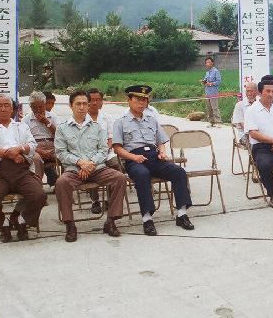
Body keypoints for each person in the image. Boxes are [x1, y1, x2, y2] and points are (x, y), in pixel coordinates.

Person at [113, 85, 195, 234]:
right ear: (129, 100)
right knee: (142, 174)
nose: (142, 103)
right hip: (134, 159)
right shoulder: (120, 122)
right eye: (138, 99)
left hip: (154, 156)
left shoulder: (151, 120)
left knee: (179, 172)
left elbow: (161, 141)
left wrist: (162, 152)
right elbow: (117, 148)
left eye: (145, 99)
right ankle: (147, 219)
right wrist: (133, 157)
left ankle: (182, 214)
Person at [54, 90, 129, 243]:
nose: (81, 107)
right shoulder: (62, 128)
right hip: (74, 170)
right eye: (78, 104)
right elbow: (61, 153)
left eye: (84, 104)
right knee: (61, 183)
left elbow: (103, 150)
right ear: (71, 106)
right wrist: (80, 163)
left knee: (120, 178)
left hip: (97, 168)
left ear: (88, 106)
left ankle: (110, 221)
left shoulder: (97, 127)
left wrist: (90, 164)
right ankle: (70, 225)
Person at [0, 94, 48, 243]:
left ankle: (21, 219)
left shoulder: (21, 126)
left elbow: (33, 145)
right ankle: (3, 223)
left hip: (21, 171)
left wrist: (20, 149)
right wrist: (10, 154)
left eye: (6, 105)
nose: (3, 109)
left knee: (39, 196)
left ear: (12, 109)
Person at [245, 79, 273, 208]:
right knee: (265, 165)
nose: (271, 94)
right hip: (261, 147)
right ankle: (272, 193)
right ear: (260, 93)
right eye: (268, 91)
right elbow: (253, 133)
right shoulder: (252, 110)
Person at [24, 91, 59, 186]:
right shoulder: (26, 119)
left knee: (66, 156)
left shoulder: (53, 116)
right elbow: (25, 141)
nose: (38, 110)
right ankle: (38, 188)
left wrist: (47, 122)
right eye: (35, 107)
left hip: (53, 145)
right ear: (31, 107)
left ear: (44, 104)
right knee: (35, 158)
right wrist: (40, 151)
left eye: (41, 106)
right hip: (36, 147)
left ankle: (60, 185)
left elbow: (59, 135)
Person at [231, 81, 259, 146]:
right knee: (256, 145)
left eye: (251, 91)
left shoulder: (260, 103)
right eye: (247, 91)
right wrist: (255, 135)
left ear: (257, 92)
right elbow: (242, 125)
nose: (249, 93)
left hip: (259, 133)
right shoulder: (239, 105)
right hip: (245, 135)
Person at [200, 56, 222, 126]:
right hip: (207, 92)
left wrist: (211, 83)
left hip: (213, 92)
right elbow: (206, 80)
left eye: (209, 62)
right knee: (209, 108)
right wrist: (203, 81)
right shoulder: (207, 72)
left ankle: (218, 122)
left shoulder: (216, 71)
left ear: (212, 63)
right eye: (206, 62)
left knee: (214, 108)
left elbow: (219, 81)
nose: (207, 64)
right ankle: (211, 122)